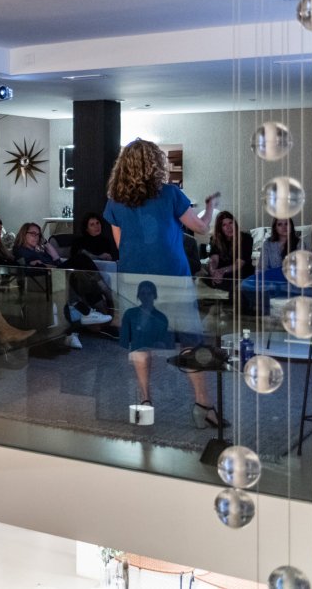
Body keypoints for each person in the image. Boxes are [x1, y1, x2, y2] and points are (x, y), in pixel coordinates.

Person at [102, 138, 222, 428]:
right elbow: (202, 229)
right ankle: (203, 406)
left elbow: (121, 246)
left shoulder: (115, 201)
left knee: (141, 343)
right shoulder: (170, 194)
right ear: (156, 163)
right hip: (171, 276)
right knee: (189, 340)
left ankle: (145, 402)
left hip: (134, 279)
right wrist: (211, 207)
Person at [12, 222, 112, 326]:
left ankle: (98, 312)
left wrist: (45, 243)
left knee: (82, 276)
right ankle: (102, 292)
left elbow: (57, 260)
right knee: (81, 259)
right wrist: (47, 266)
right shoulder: (20, 250)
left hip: (56, 273)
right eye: (33, 234)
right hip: (45, 279)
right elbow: (31, 268)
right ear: (24, 234)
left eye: (38, 235)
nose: (36, 237)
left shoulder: (40, 252)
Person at [204, 211, 255, 292]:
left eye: (230, 223)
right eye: (224, 225)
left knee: (238, 281)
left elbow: (239, 263)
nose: (229, 227)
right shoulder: (215, 239)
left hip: (241, 272)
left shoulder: (246, 238)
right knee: (206, 277)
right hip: (222, 274)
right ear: (220, 228)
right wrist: (213, 272)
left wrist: (221, 272)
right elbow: (214, 260)